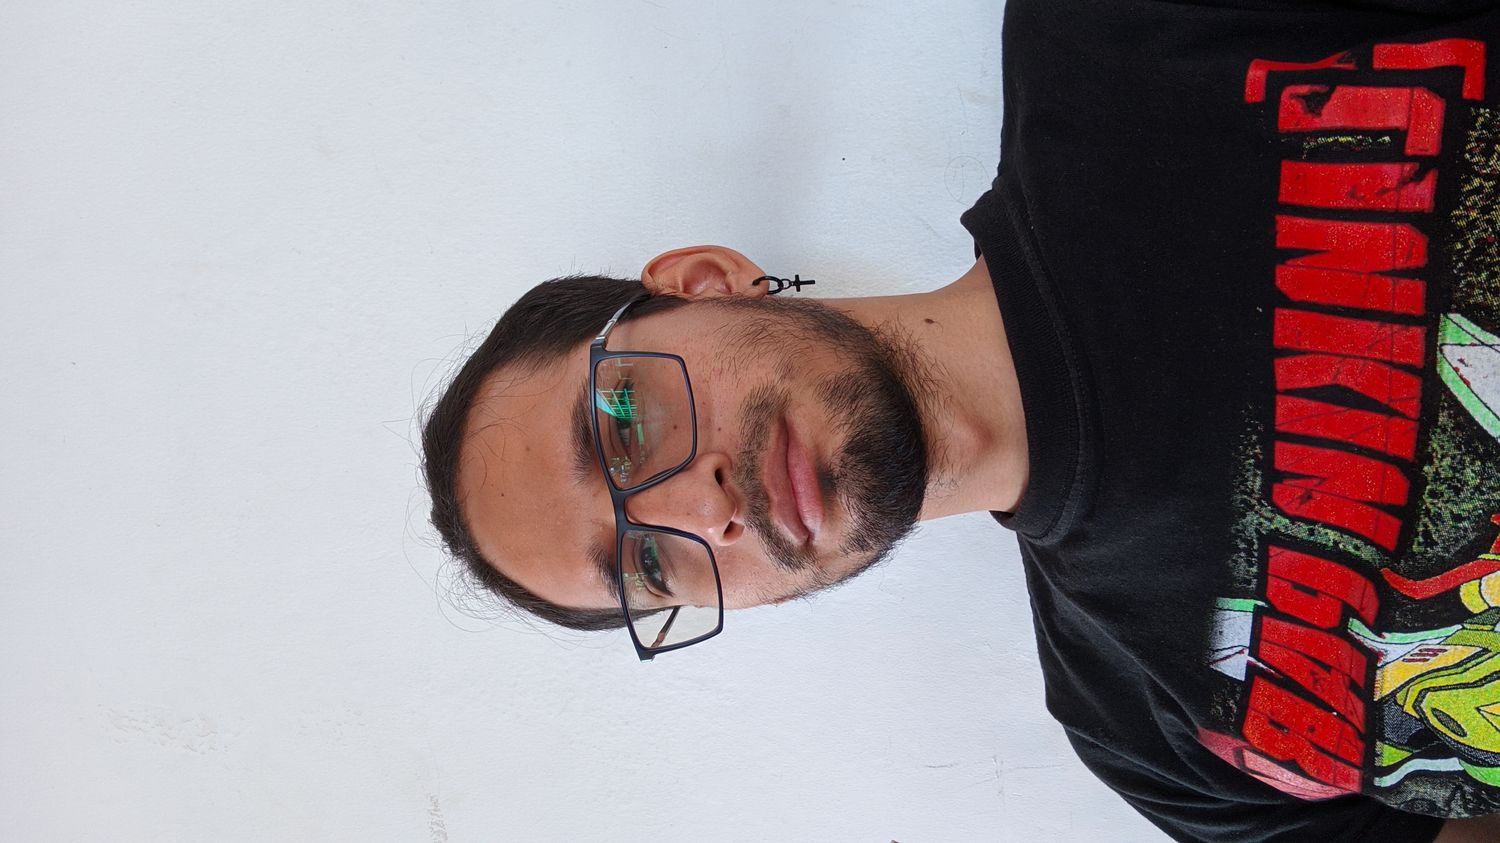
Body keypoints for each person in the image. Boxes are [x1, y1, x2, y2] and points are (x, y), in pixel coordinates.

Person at [421, 1, 1500, 840]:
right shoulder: (1147, 737)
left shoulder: (1124, 41)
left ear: (704, 282)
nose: (701, 514)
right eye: (649, 567)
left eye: (622, 427)